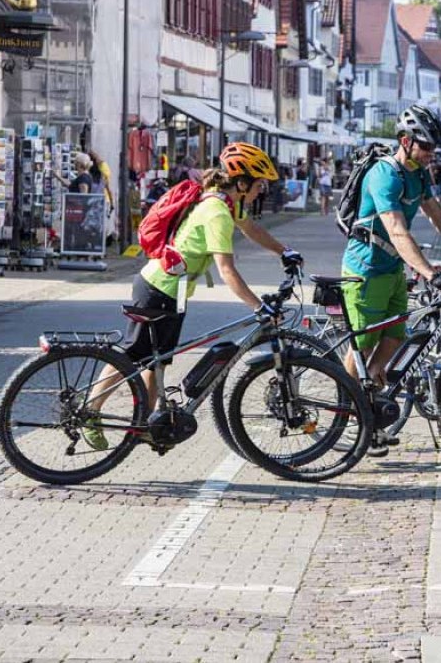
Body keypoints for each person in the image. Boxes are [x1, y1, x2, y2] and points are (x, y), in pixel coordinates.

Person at [82, 142, 304, 450]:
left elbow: (251, 228)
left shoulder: (225, 202)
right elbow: (226, 270)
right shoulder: (217, 212)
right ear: (242, 182)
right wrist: (258, 306)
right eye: (259, 184)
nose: (261, 191)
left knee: (156, 363)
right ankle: (89, 411)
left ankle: (146, 424)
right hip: (158, 288)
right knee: (132, 357)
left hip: (172, 292)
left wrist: (284, 251)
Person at [340, 105, 441, 404]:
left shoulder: (420, 175)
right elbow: (397, 230)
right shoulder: (384, 175)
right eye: (425, 146)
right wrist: (431, 274)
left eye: (433, 147)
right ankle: (346, 414)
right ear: (405, 141)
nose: (431, 153)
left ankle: (369, 400)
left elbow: (439, 217)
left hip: (392, 270)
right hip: (366, 270)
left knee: (396, 337)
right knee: (362, 344)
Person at [87, 149, 116, 240]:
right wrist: (112, 203)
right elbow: (109, 189)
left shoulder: (89, 175)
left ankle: (95, 242)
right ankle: (101, 243)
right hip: (104, 200)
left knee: (92, 223)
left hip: (93, 201)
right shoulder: (103, 171)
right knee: (102, 223)